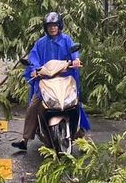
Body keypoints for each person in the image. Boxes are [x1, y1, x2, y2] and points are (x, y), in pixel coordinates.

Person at [11, 11, 91, 150]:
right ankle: (25, 139)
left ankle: (82, 139)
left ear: (59, 26)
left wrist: (76, 60)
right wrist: (34, 69)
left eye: (54, 25)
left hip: (65, 79)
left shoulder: (66, 40)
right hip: (46, 81)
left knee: (75, 103)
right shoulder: (41, 43)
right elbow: (33, 59)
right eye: (49, 26)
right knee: (33, 106)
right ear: (46, 28)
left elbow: (74, 53)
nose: (52, 28)